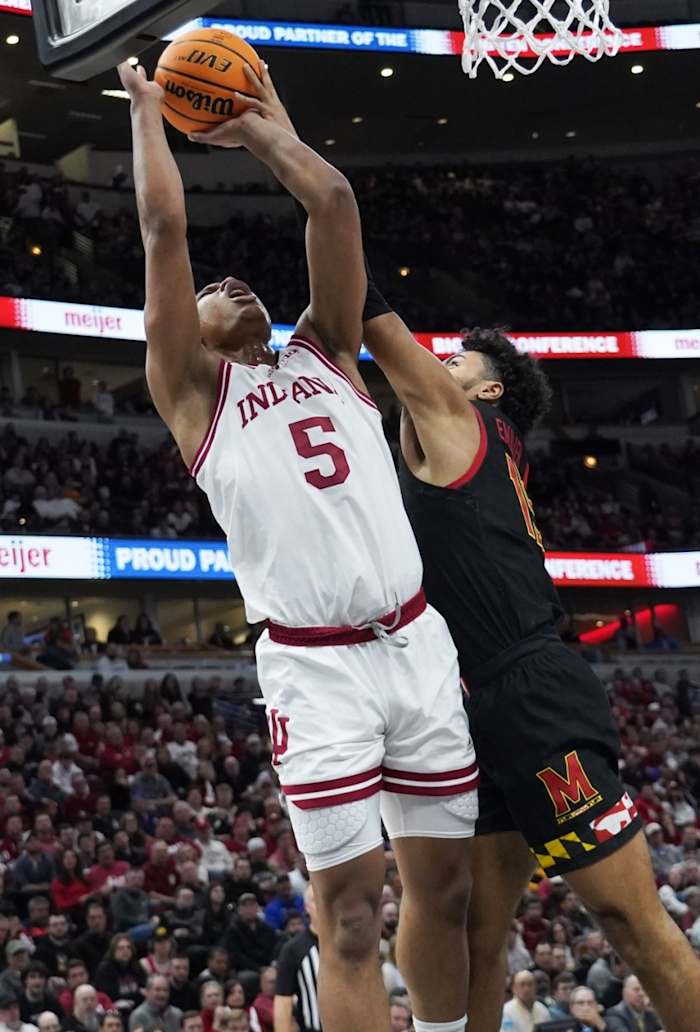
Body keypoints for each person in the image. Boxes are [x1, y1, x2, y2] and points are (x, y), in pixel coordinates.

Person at [118, 55, 476, 1032]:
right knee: (351, 921)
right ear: (184, 337)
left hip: (415, 644)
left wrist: (261, 129)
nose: (228, 280)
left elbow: (335, 204)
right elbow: (163, 231)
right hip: (316, 676)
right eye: (210, 289)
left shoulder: (326, 352)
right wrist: (152, 115)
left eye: (236, 277)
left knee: (445, 899)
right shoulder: (196, 399)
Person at [361, 265, 700, 1030]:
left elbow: (370, 316)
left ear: (485, 394)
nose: (437, 367)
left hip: (529, 687)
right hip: (464, 703)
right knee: (481, 937)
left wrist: (305, 186)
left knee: (630, 923)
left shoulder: (463, 421)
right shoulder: (434, 437)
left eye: (456, 364)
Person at [274, 886, 320, 1032]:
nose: (321, 903)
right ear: (307, 907)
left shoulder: (349, 944)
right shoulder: (293, 949)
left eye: (324, 897)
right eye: (314, 899)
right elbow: (283, 1001)